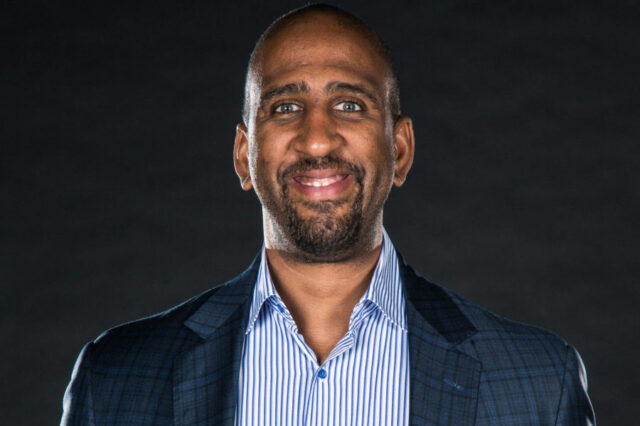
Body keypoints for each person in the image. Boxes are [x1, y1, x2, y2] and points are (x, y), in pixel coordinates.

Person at [61, 4, 595, 425]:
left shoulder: (538, 384)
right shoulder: (115, 379)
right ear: (243, 156)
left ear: (401, 150)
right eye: (285, 107)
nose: (317, 139)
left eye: (350, 105)